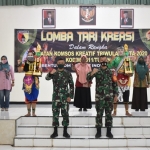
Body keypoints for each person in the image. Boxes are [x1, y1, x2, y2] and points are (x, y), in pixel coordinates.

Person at [87, 55, 118, 139]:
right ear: (99, 61)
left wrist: (116, 94)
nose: (103, 62)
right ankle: (98, 132)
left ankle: (109, 131)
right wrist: (92, 73)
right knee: (99, 114)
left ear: (107, 61)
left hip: (109, 96)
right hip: (99, 97)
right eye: (102, 60)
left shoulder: (111, 72)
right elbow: (88, 79)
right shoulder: (97, 71)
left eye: (105, 60)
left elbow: (115, 84)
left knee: (108, 114)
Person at [45, 57, 74, 138]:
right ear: (57, 63)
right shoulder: (54, 72)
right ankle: (55, 132)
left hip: (65, 97)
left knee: (65, 114)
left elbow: (71, 85)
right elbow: (47, 78)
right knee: (55, 114)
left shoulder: (68, 73)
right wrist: (51, 73)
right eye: (59, 62)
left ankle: (65, 132)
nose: (60, 63)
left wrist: (70, 96)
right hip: (56, 97)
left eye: (62, 62)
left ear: (64, 64)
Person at [108, 45, 132, 116]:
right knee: (115, 96)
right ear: (117, 51)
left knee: (126, 96)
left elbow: (128, 70)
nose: (120, 51)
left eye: (121, 50)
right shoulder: (115, 59)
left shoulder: (126, 59)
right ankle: (114, 112)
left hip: (126, 80)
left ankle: (127, 111)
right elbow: (109, 66)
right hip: (117, 80)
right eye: (119, 50)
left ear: (123, 51)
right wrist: (111, 60)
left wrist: (128, 73)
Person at [17, 50, 42, 116]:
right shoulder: (24, 63)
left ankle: (33, 113)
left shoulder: (37, 62)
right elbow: (19, 71)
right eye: (29, 54)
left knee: (34, 96)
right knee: (27, 97)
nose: (30, 55)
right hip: (27, 81)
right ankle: (28, 112)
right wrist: (19, 64)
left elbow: (41, 70)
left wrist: (39, 68)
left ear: (34, 55)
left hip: (35, 81)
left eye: (31, 54)